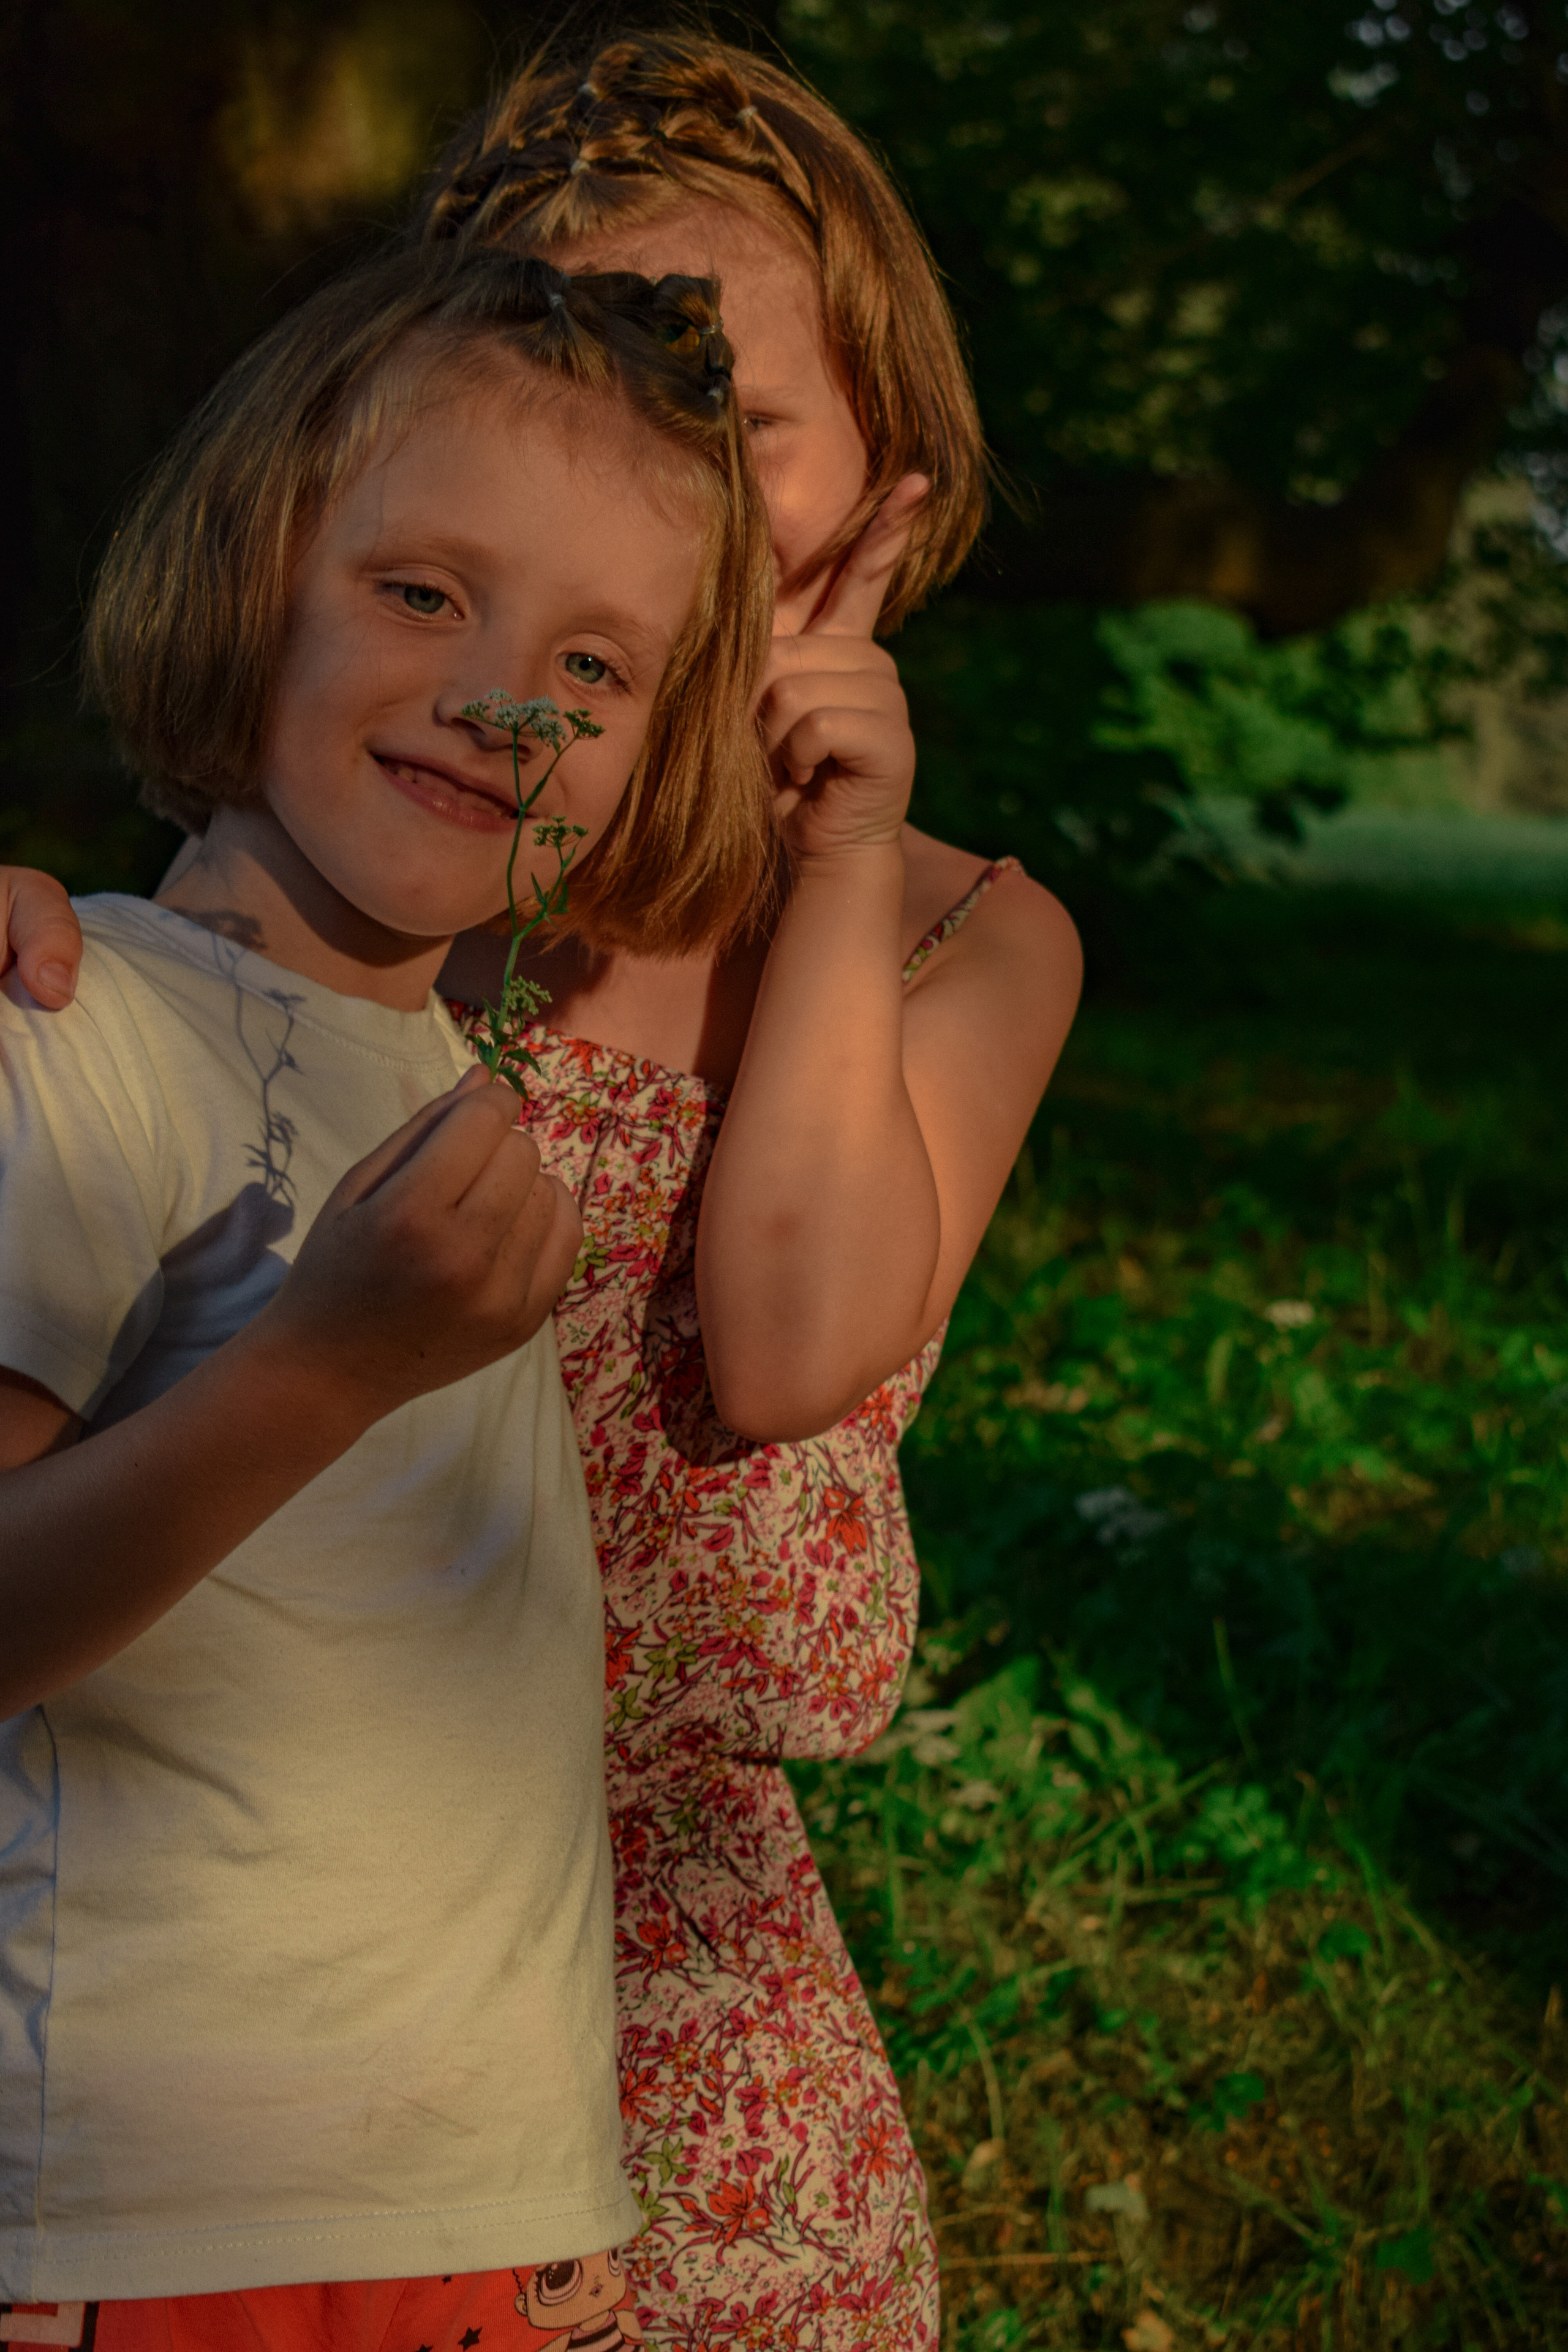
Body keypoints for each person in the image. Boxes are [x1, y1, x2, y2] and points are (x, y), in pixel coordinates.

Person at [0, 31, 1087, 2351]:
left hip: (648, 2031)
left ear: (888, 491)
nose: (633, 446)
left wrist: (831, 857)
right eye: (570, 350)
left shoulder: (948, 933)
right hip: (217, 2020)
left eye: (722, 405)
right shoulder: (402, 858)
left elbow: (790, 1353)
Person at [0, 247, 770, 2352]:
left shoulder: (449, 1079)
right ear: (246, 574)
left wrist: (543, 2181)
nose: (503, 700)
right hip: (150, 2221)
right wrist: (324, 1367)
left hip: (475, 2211)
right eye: (424, 593)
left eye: (596, 667)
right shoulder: (72, 1024)